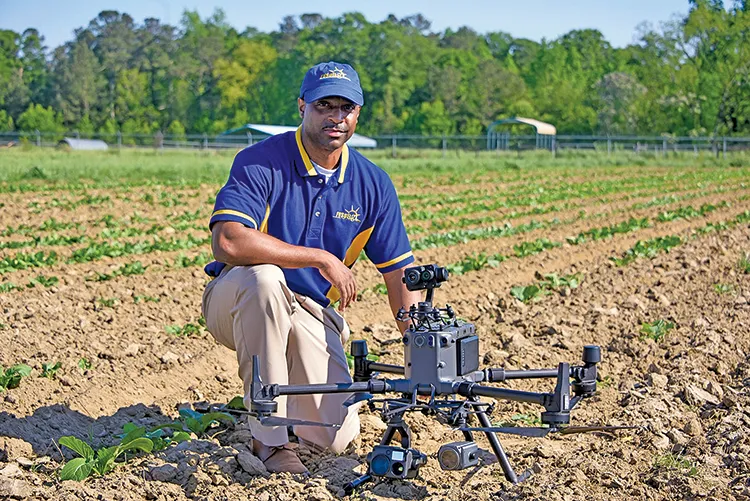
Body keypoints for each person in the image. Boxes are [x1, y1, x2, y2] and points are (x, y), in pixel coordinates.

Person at [201, 61, 422, 474]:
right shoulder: (261, 160)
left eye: (346, 107)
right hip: (238, 294)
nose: (336, 117)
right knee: (265, 279)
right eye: (324, 105)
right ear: (302, 106)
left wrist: (417, 347)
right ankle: (268, 438)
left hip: (311, 310)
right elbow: (228, 240)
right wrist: (319, 257)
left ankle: (287, 413)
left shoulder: (372, 183)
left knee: (333, 438)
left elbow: (398, 272)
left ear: (358, 113)